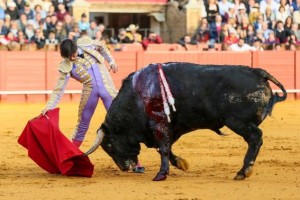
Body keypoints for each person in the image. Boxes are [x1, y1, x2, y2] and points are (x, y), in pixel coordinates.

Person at [41, 36, 145, 173]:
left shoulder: (86, 44)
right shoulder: (66, 65)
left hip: (108, 90)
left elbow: (102, 47)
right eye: (68, 57)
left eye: (72, 55)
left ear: (75, 49)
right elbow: (59, 89)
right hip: (89, 93)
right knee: (81, 127)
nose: (72, 59)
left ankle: (136, 162)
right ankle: (66, 160)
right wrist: (49, 106)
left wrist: (111, 61)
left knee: (121, 125)